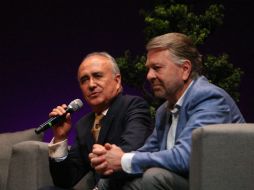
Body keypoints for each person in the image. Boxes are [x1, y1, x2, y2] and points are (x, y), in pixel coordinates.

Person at [89, 33, 246, 190]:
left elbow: (187, 157)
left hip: (218, 184)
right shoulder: (163, 111)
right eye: (148, 69)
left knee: (153, 178)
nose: (149, 76)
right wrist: (110, 159)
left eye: (157, 68)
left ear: (185, 69)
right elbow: (148, 151)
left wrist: (124, 159)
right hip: (186, 182)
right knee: (114, 178)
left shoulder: (208, 98)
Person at [42, 52, 152, 190]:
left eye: (97, 76)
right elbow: (65, 181)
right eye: (84, 80)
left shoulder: (133, 105)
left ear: (117, 81)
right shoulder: (83, 124)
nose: (91, 85)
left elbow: (131, 151)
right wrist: (60, 137)